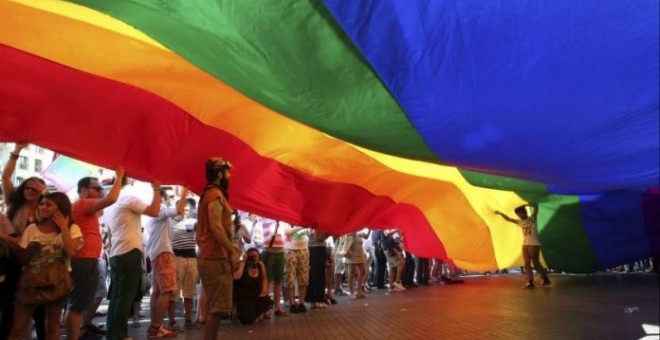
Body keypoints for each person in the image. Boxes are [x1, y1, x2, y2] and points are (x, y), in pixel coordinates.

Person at [9, 192, 83, 340]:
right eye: (41, 203)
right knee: (17, 329)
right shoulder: (32, 229)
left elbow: (70, 252)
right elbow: (22, 259)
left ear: (60, 207)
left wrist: (63, 228)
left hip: (57, 283)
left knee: (53, 327)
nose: (43, 207)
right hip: (31, 284)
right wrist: (30, 249)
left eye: (48, 204)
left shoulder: (72, 228)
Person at [64, 168, 124, 340]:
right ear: (83, 190)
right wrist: (119, 176)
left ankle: (77, 333)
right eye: (97, 188)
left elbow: (108, 203)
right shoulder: (83, 204)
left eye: (101, 189)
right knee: (76, 306)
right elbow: (111, 199)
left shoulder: (80, 208)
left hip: (83, 258)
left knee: (76, 303)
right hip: (84, 259)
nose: (101, 192)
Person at [102, 176, 162, 340]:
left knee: (116, 297)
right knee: (125, 297)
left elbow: (109, 232)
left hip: (117, 252)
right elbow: (154, 211)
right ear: (131, 182)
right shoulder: (127, 198)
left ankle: (113, 333)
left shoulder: (108, 205)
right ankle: (120, 335)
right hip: (129, 251)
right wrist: (156, 189)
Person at [1, 143, 48, 339]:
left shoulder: (44, 210)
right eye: (28, 187)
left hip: (35, 262)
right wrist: (17, 151)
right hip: (13, 259)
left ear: (42, 194)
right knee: (10, 302)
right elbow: (5, 177)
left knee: (38, 307)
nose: (31, 191)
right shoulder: (15, 202)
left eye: (36, 190)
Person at [196, 157, 239, 340]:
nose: (230, 176)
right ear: (220, 174)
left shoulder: (210, 193)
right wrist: (232, 250)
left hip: (213, 257)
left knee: (217, 308)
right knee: (216, 308)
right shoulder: (214, 194)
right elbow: (215, 226)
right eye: (228, 172)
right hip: (214, 259)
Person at [145, 186, 188, 337]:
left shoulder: (154, 211)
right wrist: (185, 192)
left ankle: (155, 326)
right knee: (167, 290)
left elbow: (178, 214)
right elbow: (178, 210)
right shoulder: (160, 208)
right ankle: (156, 328)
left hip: (156, 253)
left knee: (157, 291)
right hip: (163, 253)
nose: (172, 200)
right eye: (170, 197)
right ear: (162, 197)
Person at [495, 202, 551, 288]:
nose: (520, 215)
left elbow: (536, 207)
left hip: (534, 244)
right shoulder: (520, 222)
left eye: (521, 213)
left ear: (525, 212)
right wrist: (500, 213)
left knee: (536, 264)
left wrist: (526, 205)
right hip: (525, 245)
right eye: (518, 214)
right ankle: (530, 281)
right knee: (526, 264)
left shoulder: (532, 219)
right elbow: (509, 219)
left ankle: (545, 278)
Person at [232, 247, 270, 324]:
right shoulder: (242, 264)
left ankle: (257, 313)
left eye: (256, 256)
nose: (254, 259)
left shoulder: (260, 265)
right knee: (248, 319)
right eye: (252, 257)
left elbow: (264, 278)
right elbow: (236, 277)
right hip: (243, 295)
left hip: (256, 293)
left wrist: (264, 291)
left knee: (266, 300)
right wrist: (243, 262)